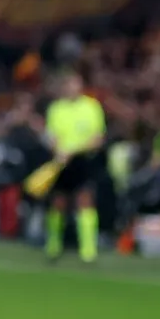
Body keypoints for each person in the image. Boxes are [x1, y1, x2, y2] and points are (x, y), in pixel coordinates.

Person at [43, 69, 106, 262]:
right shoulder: (56, 109)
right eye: (68, 84)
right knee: (58, 202)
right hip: (61, 161)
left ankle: (88, 250)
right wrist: (58, 151)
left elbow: (97, 139)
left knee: (84, 201)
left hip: (83, 160)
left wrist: (74, 150)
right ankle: (53, 245)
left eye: (75, 84)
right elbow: (52, 136)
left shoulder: (92, 107)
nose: (71, 88)